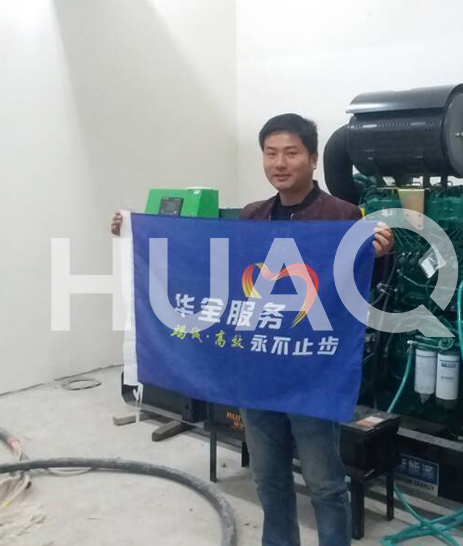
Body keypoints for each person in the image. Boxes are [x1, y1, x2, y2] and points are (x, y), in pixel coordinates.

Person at [111, 113, 394, 546]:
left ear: (313, 159)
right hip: (257, 374)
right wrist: (135, 232)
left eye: (291, 153)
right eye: (271, 153)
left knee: (325, 484)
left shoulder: (342, 216)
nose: (280, 163)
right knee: (268, 477)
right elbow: (213, 273)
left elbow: (359, 291)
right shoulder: (252, 217)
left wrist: (381, 254)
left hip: (312, 376)